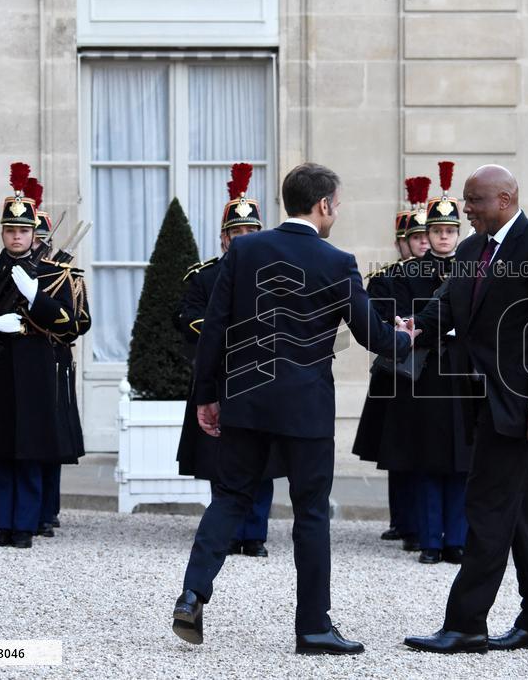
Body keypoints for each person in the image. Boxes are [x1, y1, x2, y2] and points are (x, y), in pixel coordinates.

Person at [171, 163, 418, 653]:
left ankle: (191, 595)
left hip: (244, 399)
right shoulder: (338, 261)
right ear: (324, 205)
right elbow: (373, 337)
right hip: (305, 408)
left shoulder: (242, 250)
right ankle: (313, 628)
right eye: (338, 204)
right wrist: (406, 339)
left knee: (230, 499)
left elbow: (214, 332)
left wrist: (206, 395)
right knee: (309, 514)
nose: (338, 212)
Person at [403, 164, 528, 654]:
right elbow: (448, 305)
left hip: (523, 407)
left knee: (487, 509)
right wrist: (410, 328)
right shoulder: (471, 249)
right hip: (482, 402)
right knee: (520, 514)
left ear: (504, 199)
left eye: (473, 201)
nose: (465, 209)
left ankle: (465, 624)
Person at [0, 162, 80, 549]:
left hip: (36, 371)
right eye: (11, 230)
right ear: (3, 232)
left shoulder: (50, 273)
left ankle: (24, 527)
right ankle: (0, 526)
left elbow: (68, 324)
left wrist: (34, 297)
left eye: (24, 230)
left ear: (32, 233)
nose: (17, 236)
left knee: (30, 451)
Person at [175, 163, 275, 558]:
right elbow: (186, 317)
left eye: (251, 232)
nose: (244, 238)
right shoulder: (203, 276)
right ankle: (228, 530)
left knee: (262, 459)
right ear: (223, 238)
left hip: (260, 375)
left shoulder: (275, 275)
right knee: (222, 457)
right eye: (237, 232)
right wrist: (229, 331)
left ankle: (255, 533)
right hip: (218, 374)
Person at [390, 161, 473, 565]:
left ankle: (456, 538)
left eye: (450, 230)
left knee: (461, 460)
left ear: (459, 233)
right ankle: (430, 539)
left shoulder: (472, 270)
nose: (443, 236)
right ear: (427, 234)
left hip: (461, 372)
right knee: (427, 459)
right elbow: (406, 317)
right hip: (425, 372)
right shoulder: (411, 272)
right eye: (437, 231)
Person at [351, 179, 419, 547]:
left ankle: (417, 520)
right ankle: (403, 518)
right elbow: (377, 315)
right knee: (398, 446)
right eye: (416, 237)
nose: (423, 243)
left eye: (428, 237)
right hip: (399, 368)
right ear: (401, 242)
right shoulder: (386, 277)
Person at [27, 179, 91, 537]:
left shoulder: (67, 277)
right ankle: (28, 509)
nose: (36, 246)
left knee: (51, 441)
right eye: (31, 238)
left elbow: (81, 321)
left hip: (53, 361)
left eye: (39, 240)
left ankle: (48, 508)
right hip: (21, 362)